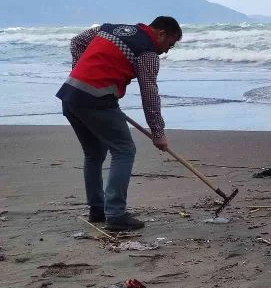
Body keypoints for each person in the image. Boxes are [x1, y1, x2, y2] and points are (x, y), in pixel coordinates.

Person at [56, 17, 183, 231]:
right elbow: (149, 93)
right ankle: (115, 214)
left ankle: (97, 209)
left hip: (71, 94)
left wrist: (81, 74)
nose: (167, 51)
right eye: (170, 44)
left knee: (94, 154)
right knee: (124, 150)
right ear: (160, 33)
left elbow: (77, 42)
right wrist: (158, 132)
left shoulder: (110, 28)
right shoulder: (148, 53)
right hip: (95, 99)